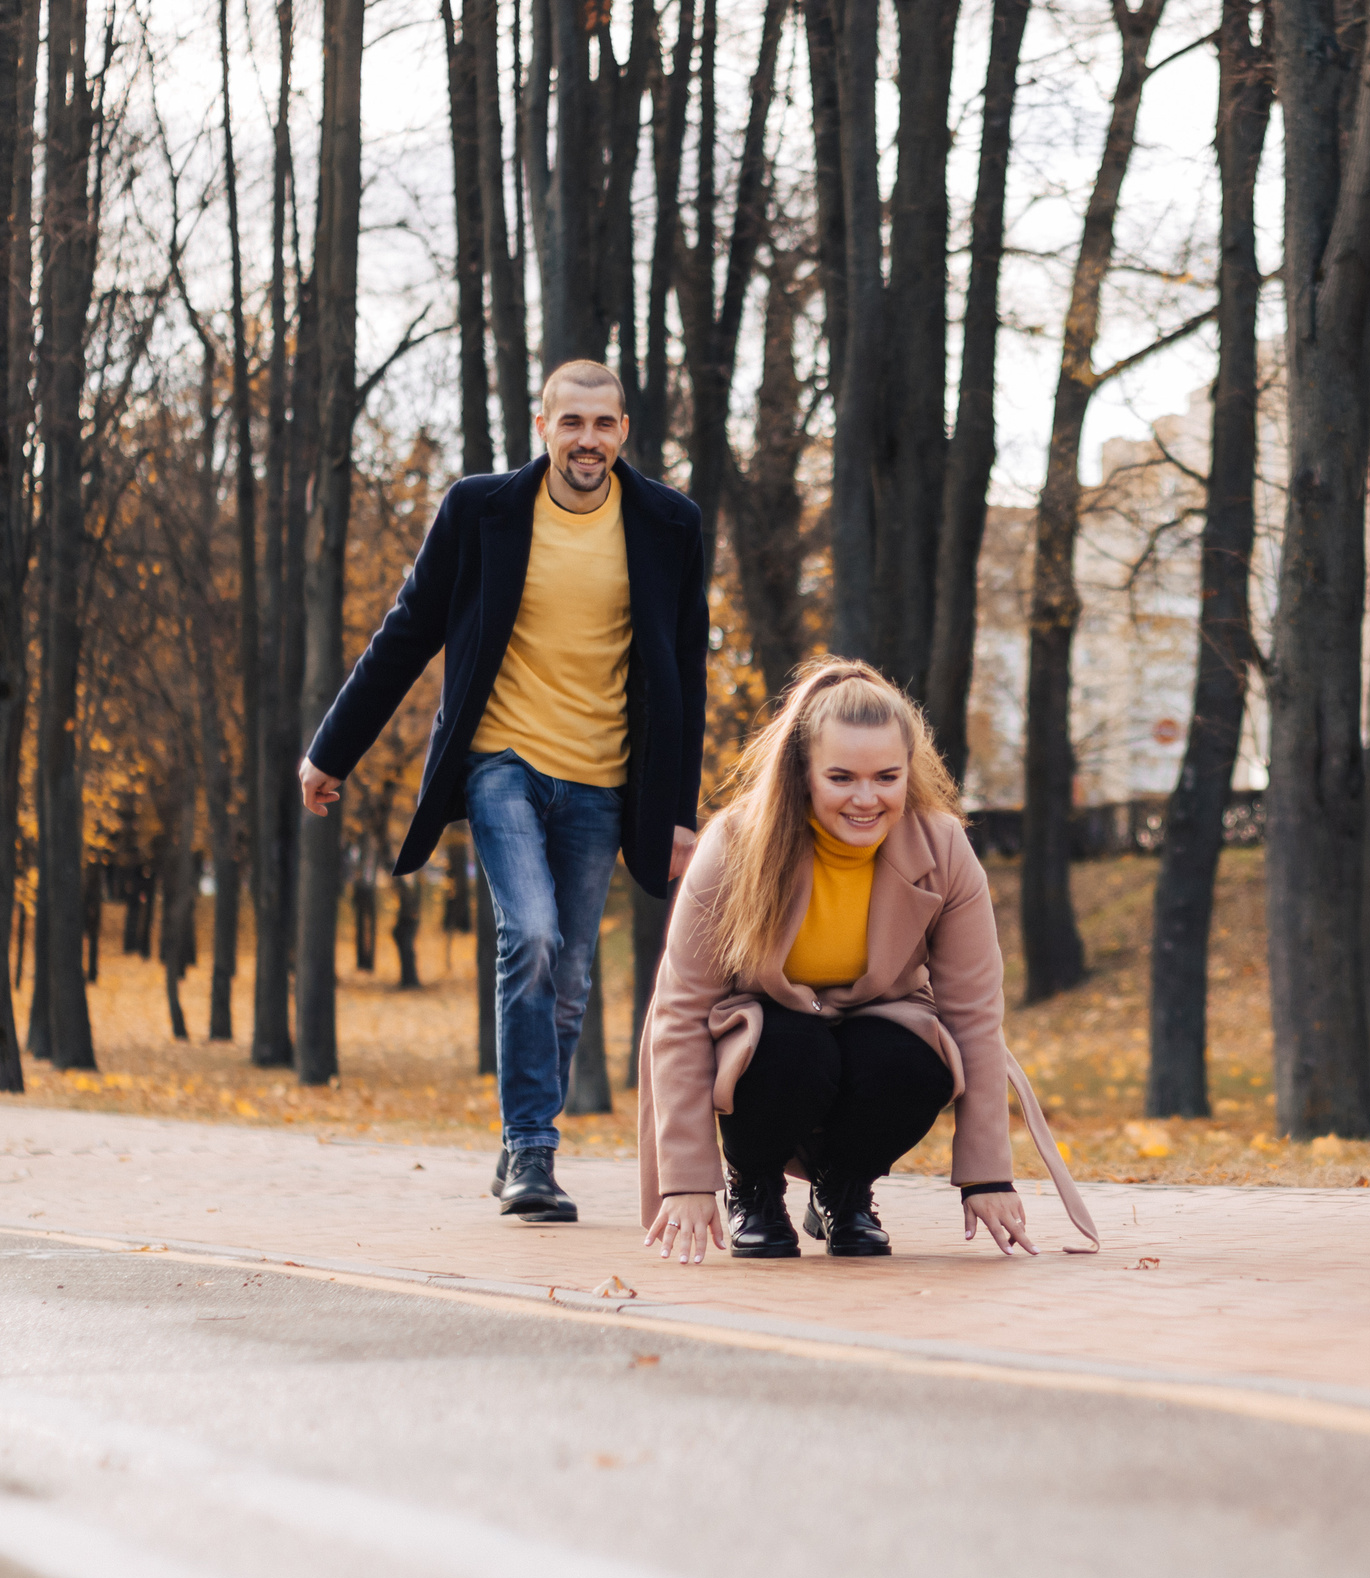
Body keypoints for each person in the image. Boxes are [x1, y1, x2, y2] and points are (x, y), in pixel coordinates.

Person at [300, 360, 707, 1224]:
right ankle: (532, 1147)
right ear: (543, 426)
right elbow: (408, 629)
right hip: (501, 762)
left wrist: (678, 813)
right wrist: (332, 749)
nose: (588, 440)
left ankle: (522, 1136)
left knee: (570, 974)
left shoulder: (669, 523)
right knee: (531, 932)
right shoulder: (480, 509)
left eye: (603, 423)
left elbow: (686, 671)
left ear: (624, 430)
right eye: (572, 422)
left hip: (603, 778)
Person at [637, 657, 1097, 1263]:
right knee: (797, 1049)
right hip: (765, 1049)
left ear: (909, 770)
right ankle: (754, 1187)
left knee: (917, 1060)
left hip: (876, 1031)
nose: (865, 798)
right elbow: (679, 1013)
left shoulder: (944, 847)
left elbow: (974, 1015)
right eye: (841, 777)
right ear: (802, 773)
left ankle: (844, 1189)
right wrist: (688, 1181)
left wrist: (987, 1175)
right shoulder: (735, 844)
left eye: (886, 777)